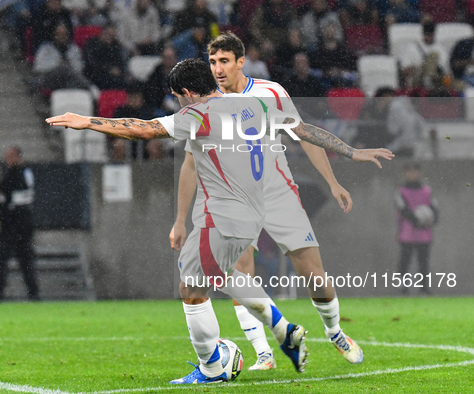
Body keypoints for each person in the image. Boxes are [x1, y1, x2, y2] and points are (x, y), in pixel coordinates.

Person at [46, 58, 392, 383]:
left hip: (226, 215)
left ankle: (214, 366)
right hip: (254, 210)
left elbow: (145, 130)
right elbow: (303, 130)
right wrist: (351, 151)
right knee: (211, 275)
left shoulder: (197, 114)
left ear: (186, 93)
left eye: (178, 96)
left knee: (193, 288)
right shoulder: (256, 105)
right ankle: (279, 329)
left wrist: (89, 121)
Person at [170, 33, 378, 371]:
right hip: (232, 198)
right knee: (239, 272)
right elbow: (191, 163)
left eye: (224, 61)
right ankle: (264, 353)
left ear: (241, 61)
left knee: (313, 275)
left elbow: (303, 134)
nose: (218, 68)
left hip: (277, 193)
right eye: (212, 62)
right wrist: (180, 220)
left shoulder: (271, 92)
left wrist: (332, 181)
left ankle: (335, 331)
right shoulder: (206, 102)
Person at [0, 146, 39, 301]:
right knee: (26, 259)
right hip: (25, 222)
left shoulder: (14, 173)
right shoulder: (27, 173)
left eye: (9, 156)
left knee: (2, 258)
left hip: (11, 223)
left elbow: (1, 192)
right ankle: (33, 292)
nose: (7, 160)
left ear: (17, 157)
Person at [395, 163, 439, 295]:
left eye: (414, 171)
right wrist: (417, 220)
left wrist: (432, 219)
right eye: (409, 172)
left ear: (419, 173)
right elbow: (403, 209)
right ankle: (403, 289)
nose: (412, 174)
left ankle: (424, 289)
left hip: (424, 234)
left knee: (423, 263)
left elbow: (435, 209)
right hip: (407, 233)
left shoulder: (427, 191)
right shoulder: (401, 191)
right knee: (405, 262)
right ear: (405, 173)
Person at [33, 22, 93, 91]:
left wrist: (71, 64)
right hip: (50, 78)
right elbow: (38, 67)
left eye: (64, 34)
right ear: (54, 35)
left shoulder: (74, 48)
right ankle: (90, 87)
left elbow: (80, 67)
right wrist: (57, 64)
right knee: (64, 68)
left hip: (69, 79)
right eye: (59, 34)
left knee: (71, 83)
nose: (62, 37)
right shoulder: (46, 48)